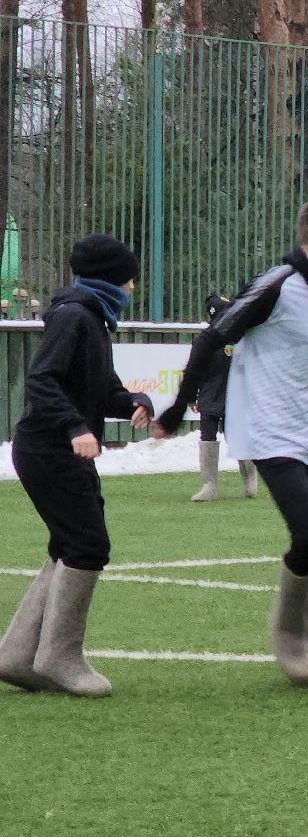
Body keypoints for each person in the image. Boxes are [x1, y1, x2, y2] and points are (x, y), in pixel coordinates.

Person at [156, 198, 308, 689]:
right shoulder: (276, 286)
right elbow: (212, 339)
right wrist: (175, 409)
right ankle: (288, 636)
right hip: (271, 432)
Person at [0, 235, 155, 698]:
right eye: (128, 277)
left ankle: (16, 656)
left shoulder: (92, 319)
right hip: (50, 449)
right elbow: (42, 380)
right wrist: (74, 427)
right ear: (110, 278)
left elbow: (101, 388)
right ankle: (59, 657)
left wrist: (132, 401)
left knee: (67, 545)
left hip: (55, 449)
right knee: (88, 544)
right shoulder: (74, 317)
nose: (131, 286)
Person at [187, 292, 259, 502]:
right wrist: (192, 395)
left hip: (234, 399)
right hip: (209, 398)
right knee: (207, 437)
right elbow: (194, 370)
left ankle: (249, 479)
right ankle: (209, 485)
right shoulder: (204, 342)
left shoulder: (241, 338)